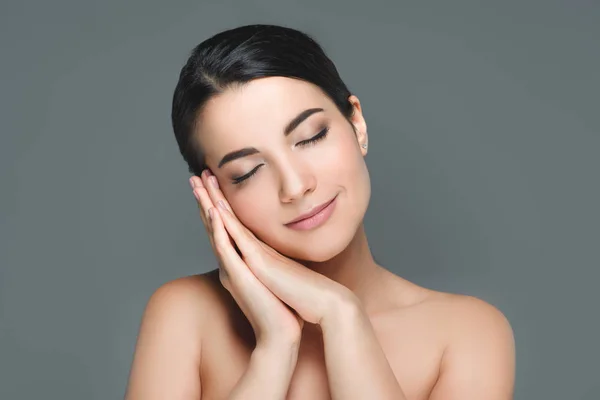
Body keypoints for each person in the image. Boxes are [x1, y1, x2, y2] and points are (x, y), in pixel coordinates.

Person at [125, 24, 515, 400]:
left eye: (310, 137)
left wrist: (341, 315)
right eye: (247, 172)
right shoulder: (185, 315)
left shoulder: (467, 334)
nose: (295, 187)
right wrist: (275, 348)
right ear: (214, 194)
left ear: (357, 123)